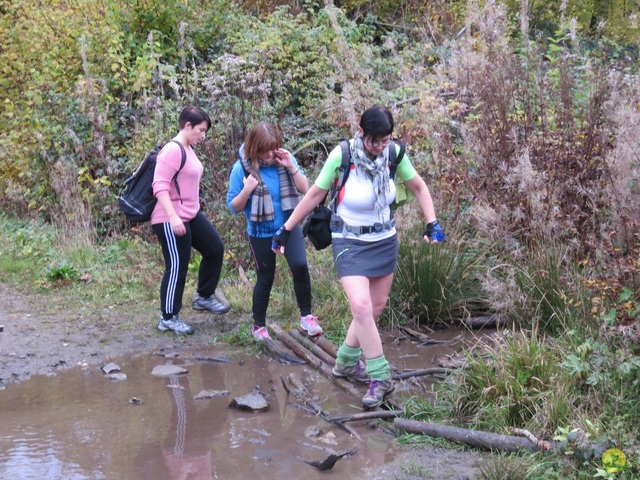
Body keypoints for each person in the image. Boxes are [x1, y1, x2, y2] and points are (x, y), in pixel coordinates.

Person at [271, 105, 446, 409]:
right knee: (361, 307)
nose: (379, 148)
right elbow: (314, 194)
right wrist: (287, 229)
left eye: (385, 140)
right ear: (361, 134)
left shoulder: (394, 155)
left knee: (374, 309)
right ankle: (380, 377)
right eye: (374, 141)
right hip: (348, 240)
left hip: (384, 240)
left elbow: (418, 187)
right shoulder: (343, 156)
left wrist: (432, 222)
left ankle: (345, 362)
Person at [226, 121, 323, 341]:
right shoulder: (241, 168)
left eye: (273, 147)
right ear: (254, 147)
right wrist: (247, 190)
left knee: (299, 266)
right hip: (261, 231)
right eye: (264, 150)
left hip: (289, 225)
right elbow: (233, 206)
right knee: (265, 277)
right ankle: (258, 326)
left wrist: (292, 167)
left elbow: (305, 190)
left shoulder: (284, 158)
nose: (270, 154)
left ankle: (306, 317)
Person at [151, 105, 230, 335]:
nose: (203, 136)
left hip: (190, 214)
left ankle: (204, 297)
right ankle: (168, 317)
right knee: (177, 266)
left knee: (215, 249)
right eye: (201, 130)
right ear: (187, 126)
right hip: (169, 218)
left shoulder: (189, 147)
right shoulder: (172, 150)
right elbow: (160, 186)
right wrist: (173, 217)